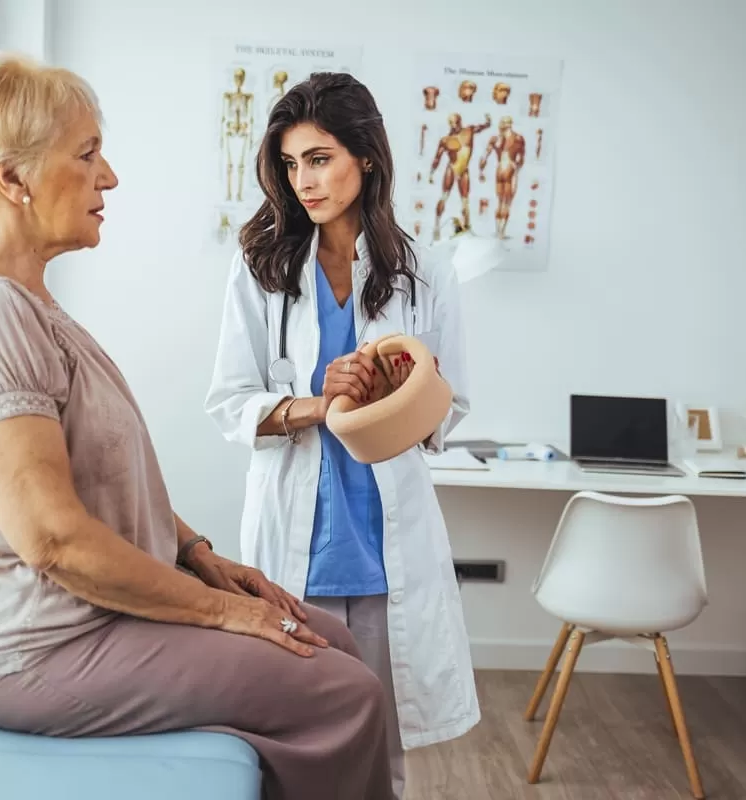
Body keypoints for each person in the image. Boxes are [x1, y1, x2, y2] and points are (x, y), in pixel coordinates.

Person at [0, 51, 396, 800]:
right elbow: (52, 538)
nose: (109, 177)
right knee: (344, 691)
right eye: (86, 155)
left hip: (69, 619)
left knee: (334, 642)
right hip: (25, 645)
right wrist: (225, 614)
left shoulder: (22, 300)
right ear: (10, 178)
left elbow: (91, 477)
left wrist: (196, 553)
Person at [205, 72, 481, 799]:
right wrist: (314, 405)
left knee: (380, 749)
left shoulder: (426, 272)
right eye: (292, 163)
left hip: (386, 543)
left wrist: (401, 391)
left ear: (365, 157)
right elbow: (228, 402)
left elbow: (449, 410)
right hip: (296, 539)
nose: (304, 180)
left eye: (320, 158)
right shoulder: (261, 268)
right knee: (293, 740)